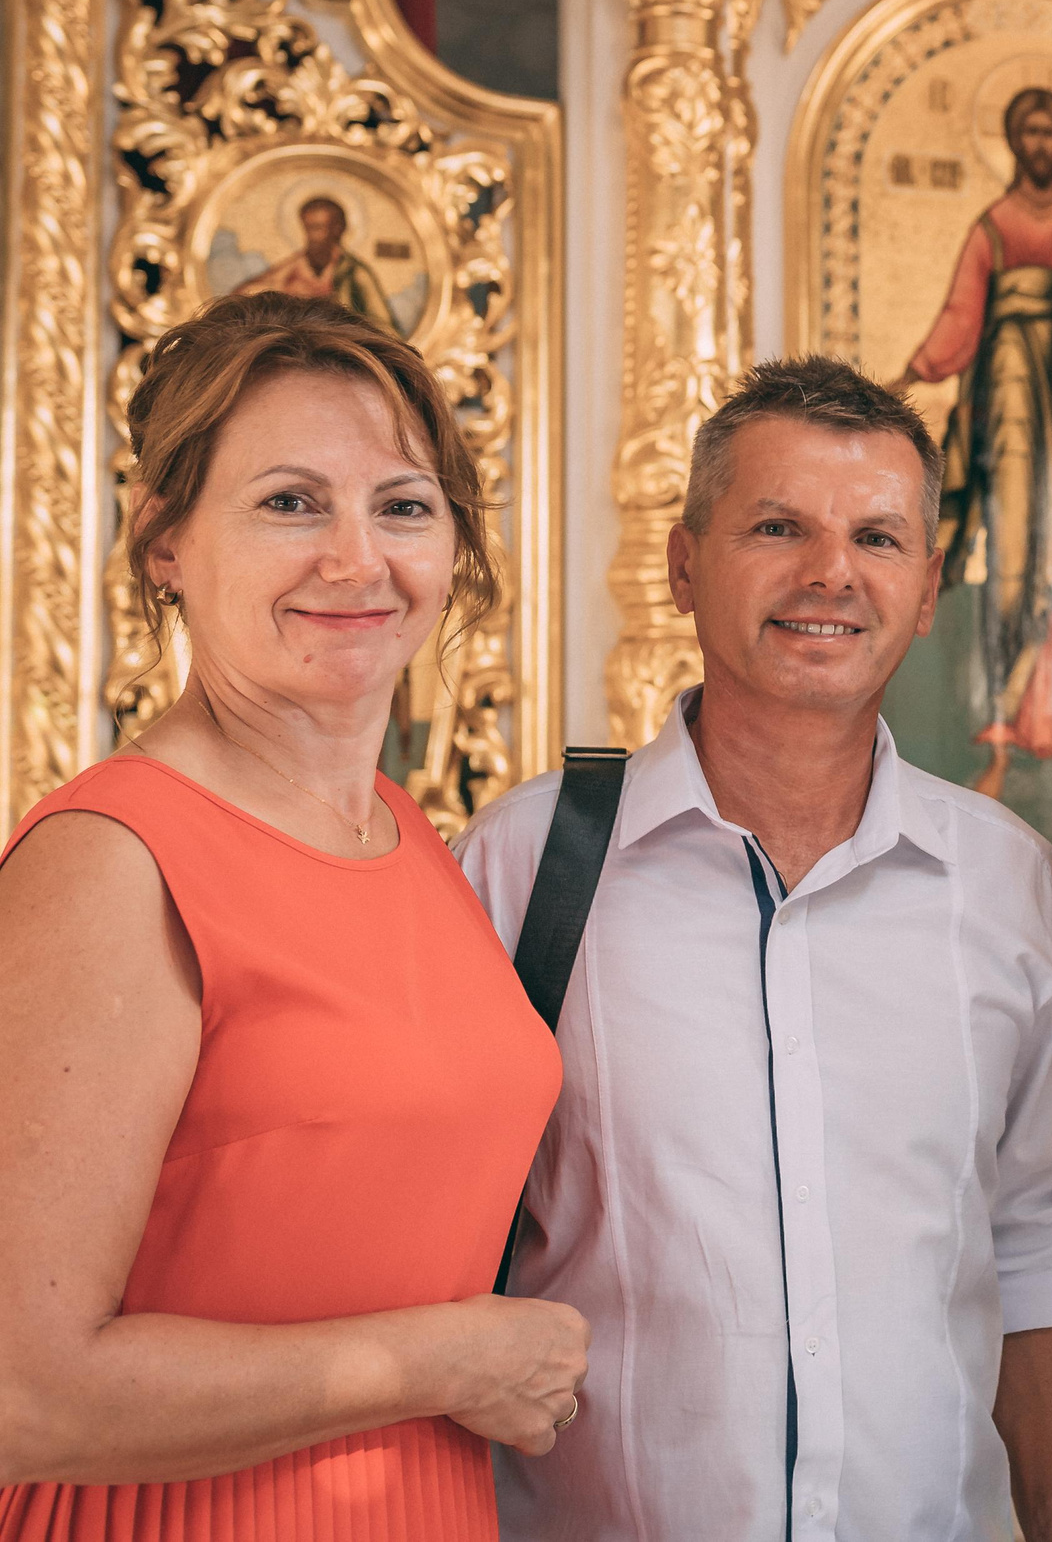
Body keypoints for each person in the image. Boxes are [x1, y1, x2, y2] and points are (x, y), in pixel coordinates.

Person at [454, 356, 1052, 1542]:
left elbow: (1040, 1242)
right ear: (684, 562)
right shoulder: (522, 867)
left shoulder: (1006, 881)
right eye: (778, 526)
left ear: (929, 580)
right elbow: (433, 1264)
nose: (831, 574)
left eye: (877, 537)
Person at [0, 292, 585, 1540]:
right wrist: (444, 1364)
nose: (356, 559)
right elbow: (23, 1391)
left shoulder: (411, 837)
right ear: (165, 542)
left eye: (403, 507)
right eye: (289, 502)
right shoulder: (113, 861)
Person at [902, 86, 1052, 799]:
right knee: (1014, 564)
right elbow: (960, 317)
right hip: (1006, 404)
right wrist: (912, 376)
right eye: (1027, 130)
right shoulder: (993, 226)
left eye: (1050, 131)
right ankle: (998, 735)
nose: (1039, 143)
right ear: (1012, 140)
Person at [242, 196, 400, 332]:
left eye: (318, 228)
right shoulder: (293, 266)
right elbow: (247, 295)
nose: (311, 237)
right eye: (308, 228)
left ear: (337, 229)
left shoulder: (354, 273)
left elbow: (385, 328)